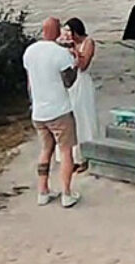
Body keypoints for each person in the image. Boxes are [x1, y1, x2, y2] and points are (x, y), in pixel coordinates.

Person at [23, 18, 81, 208]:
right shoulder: (60, 53)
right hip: (59, 110)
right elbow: (69, 82)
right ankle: (66, 192)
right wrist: (73, 62)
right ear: (58, 32)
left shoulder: (30, 51)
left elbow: (29, 82)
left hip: (39, 111)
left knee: (45, 150)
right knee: (65, 152)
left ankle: (43, 191)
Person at [63, 17, 99, 159]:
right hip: (69, 82)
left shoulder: (88, 42)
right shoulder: (64, 44)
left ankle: (85, 154)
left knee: (83, 115)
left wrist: (74, 52)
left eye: (68, 31)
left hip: (82, 81)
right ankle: (71, 156)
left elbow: (84, 65)